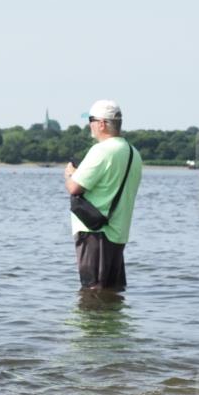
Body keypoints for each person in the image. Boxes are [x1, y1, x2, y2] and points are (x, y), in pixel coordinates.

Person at [64, 100, 143, 291]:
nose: (89, 125)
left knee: (92, 292)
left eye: (91, 120)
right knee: (112, 292)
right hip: (118, 233)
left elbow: (74, 187)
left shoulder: (102, 150)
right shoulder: (133, 153)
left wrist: (70, 174)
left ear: (101, 124)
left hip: (95, 232)